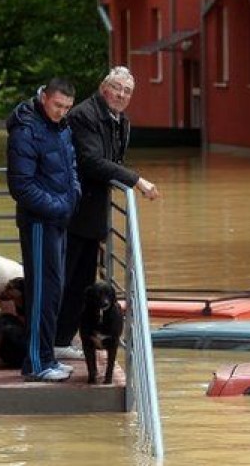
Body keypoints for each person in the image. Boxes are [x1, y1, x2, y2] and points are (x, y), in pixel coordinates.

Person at [54, 66, 159, 359]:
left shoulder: (119, 120)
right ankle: (49, 341)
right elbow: (91, 162)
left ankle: (63, 340)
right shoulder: (84, 115)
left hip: (92, 214)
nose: (122, 95)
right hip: (72, 211)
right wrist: (136, 181)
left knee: (83, 282)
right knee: (63, 279)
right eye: (117, 88)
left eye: (127, 91)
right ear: (104, 89)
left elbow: (111, 159)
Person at [6, 77, 81, 382]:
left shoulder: (60, 127)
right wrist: (60, 207)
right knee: (41, 293)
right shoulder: (25, 130)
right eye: (57, 105)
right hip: (39, 224)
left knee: (54, 292)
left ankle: (47, 357)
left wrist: (72, 197)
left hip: (58, 220)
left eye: (67, 107)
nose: (61, 112)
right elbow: (21, 186)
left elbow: (72, 167)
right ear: (44, 98)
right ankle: (36, 363)